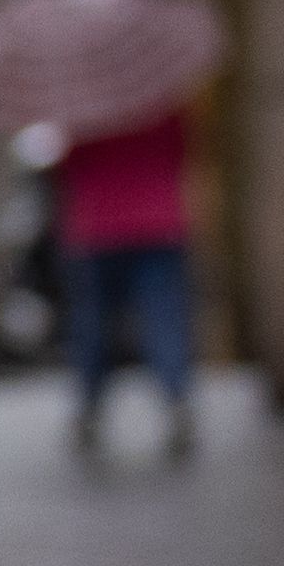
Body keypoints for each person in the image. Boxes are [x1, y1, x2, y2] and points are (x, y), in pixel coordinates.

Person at [52, 100, 198, 467]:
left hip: (97, 225)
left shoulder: (84, 105)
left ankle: (89, 406)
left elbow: (68, 167)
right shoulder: (164, 100)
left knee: (94, 322)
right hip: (158, 221)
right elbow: (182, 150)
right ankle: (176, 399)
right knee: (163, 317)